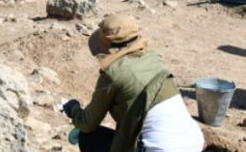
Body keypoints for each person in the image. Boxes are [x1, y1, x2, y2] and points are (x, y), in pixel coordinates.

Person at [62, 14, 204, 152]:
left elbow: (88, 124)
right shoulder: (154, 57)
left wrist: (73, 109)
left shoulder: (113, 74)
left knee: (89, 138)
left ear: (109, 47)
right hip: (194, 142)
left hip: (160, 148)